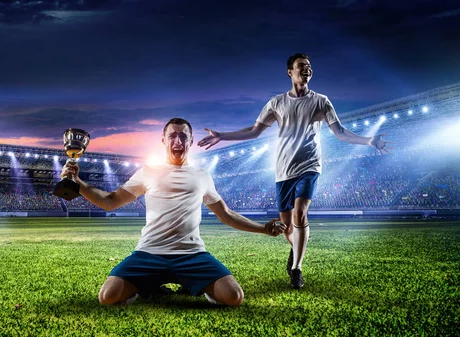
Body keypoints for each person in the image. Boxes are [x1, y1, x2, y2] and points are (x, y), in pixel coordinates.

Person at [197, 53, 395, 289]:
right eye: (301, 66)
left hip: (309, 166)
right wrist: (222, 136)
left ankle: (297, 269)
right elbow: (254, 130)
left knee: (301, 212)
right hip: (283, 170)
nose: (306, 69)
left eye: (309, 66)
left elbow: (340, 132)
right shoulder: (277, 103)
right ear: (289, 72)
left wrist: (369, 140)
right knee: (288, 228)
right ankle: (295, 249)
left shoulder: (321, 101)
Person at [61, 118, 285, 306]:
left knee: (234, 297)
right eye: (172, 136)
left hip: (192, 254)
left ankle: (192, 283)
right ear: (163, 140)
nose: (178, 141)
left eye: (184, 137)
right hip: (149, 252)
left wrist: (264, 229)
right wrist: (78, 183)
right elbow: (110, 202)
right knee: (107, 297)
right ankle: (148, 286)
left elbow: (225, 214)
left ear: (191, 141)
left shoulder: (201, 175)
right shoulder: (148, 172)